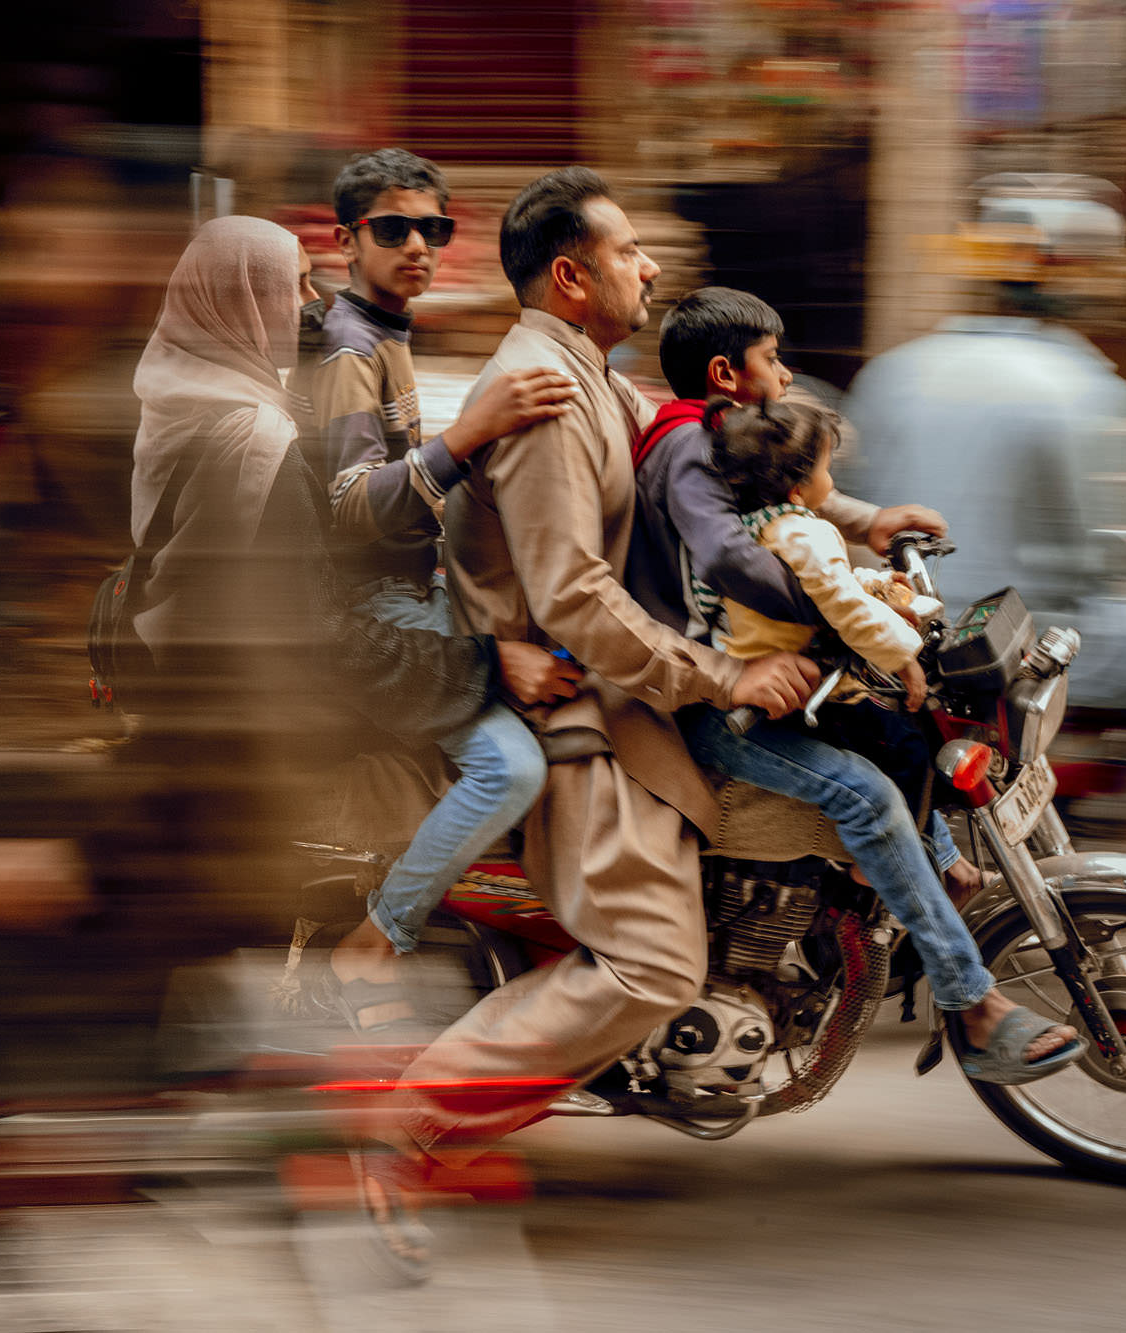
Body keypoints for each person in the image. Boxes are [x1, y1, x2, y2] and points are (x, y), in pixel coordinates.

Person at [357, 169, 819, 1254]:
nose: (649, 267)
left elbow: (694, 458)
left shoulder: (591, 377)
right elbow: (570, 595)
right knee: (655, 963)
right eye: (627, 253)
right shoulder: (550, 393)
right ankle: (400, 1122)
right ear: (570, 276)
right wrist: (719, 676)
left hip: (617, 690)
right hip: (587, 717)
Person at [840, 178, 1126, 817]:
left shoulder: (894, 370)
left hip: (904, 638)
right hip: (1018, 641)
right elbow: (1107, 556)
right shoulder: (1083, 386)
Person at [679, 394, 1082, 1082]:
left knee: (899, 739)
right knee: (871, 795)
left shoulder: (777, 520)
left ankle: (945, 869)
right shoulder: (798, 530)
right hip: (734, 719)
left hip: (778, 695)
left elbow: (827, 583)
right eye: (830, 466)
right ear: (803, 480)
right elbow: (834, 596)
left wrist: (887, 588)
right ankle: (971, 1000)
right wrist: (902, 650)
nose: (835, 481)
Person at [303, 149, 580, 1033]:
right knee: (512, 764)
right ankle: (376, 939)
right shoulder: (350, 348)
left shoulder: (387, 331)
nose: (417, 245)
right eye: (394, 228)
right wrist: (471, 435)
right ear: (348, 238)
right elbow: (353, 507)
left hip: (417, 591)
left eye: (434, 229)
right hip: (373, 614)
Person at [632, 286, 987, 901]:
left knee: (891, 733)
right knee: (880, 740)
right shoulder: (692, 444)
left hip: (741, 647)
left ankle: (934, 857)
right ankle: (887, 890)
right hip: (709, 670)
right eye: (771, 358)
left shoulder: (721, 434)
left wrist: (866, 524)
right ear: (725, 373)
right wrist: (837, 611)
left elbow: (783, 495)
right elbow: (727, 553)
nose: (785, 371)